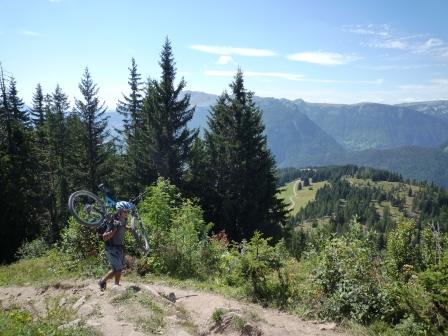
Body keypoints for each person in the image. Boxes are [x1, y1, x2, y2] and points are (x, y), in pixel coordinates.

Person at [98, 201, 134, 290]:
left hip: (119, 247)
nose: (127, 213)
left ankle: (109, 283)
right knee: (117, 268)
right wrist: (114, 229)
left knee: (119, 268)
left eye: (128, 211)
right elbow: (104, 237)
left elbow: (123, 227)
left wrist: (129, 229)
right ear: (120, 212)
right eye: (125, 211)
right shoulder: (113, 222)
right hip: (111, 248)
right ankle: (107, 283)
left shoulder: (124, 220)